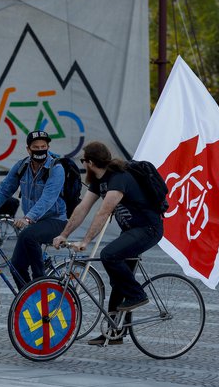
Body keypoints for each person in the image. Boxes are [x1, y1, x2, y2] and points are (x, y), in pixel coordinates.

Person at [52, 141, 163, 346]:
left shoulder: (118, 178)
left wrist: (86, 241)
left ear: (91, 162)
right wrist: (64, 234)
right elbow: (82, 208)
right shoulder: (98, 181)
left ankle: (137, 294)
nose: (83, 164)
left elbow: (103, 212)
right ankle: (115, 332)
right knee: (118, 280)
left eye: (83, 160)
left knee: (109, 255)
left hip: (148, 229)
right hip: (131, 230)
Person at [0, 130, 67, 288]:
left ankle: (40, 282)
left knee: (28, 235)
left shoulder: (56, 168)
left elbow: (48, 198)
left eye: (43, 146)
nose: (40, 149)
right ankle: (28, 300)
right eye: (36, 146)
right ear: (28, 149)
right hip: (34, 223)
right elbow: (5, 189)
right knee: (16, 267)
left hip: (55, 220)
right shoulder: (21, 166)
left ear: (48, 147)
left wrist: (27, 218)